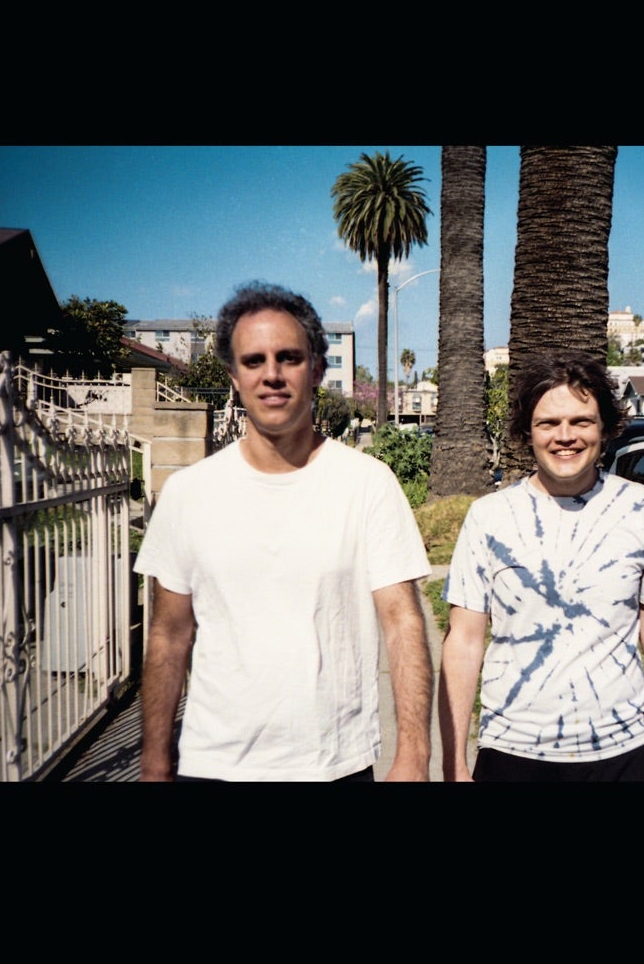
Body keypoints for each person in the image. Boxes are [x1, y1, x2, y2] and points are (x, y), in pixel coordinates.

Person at [135, 281, 433, 782]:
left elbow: (402, 621)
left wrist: (415, 755)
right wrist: (154, 762)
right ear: (233, 376)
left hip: (333, 765)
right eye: (253, 361)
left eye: (288, 357)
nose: (271, 374)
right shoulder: (189, 493)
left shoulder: (367, 484)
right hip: (214, 765)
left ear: (316, 370)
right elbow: (168, 635)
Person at [438, 350, 644, 783]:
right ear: (527, 432)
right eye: (548, 423)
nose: (565, 436)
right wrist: (453, 762)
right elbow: (464, 641)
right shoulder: (489, 517)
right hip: (514, 753)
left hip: (626, 751)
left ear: (604, 428)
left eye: (581, 421)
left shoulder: (639, 507)